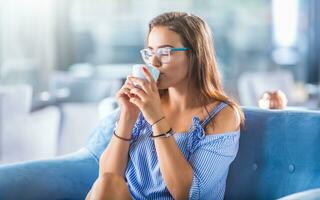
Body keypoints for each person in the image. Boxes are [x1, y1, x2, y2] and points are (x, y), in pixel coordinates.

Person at [86, 12, 245, 200]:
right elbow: (108, 177)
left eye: (164, 52)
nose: (153, 62)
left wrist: (157, 119)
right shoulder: (142, 105)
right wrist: (127, 117)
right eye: (149, 52)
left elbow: (185, 193)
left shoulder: (223, 115)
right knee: (107, 184)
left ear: (195, 54)